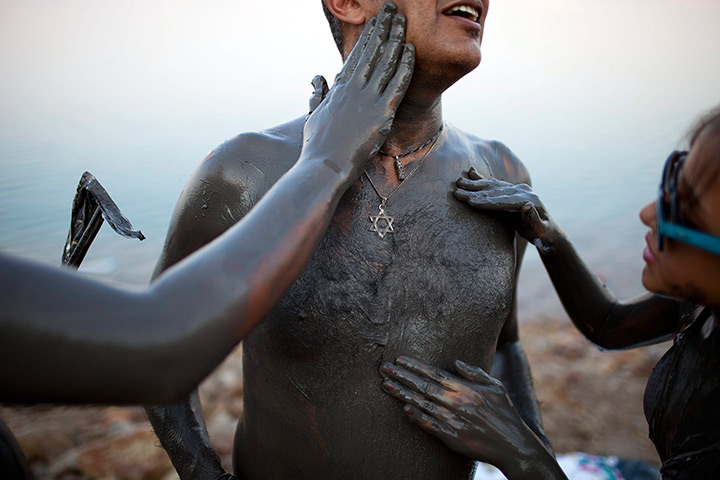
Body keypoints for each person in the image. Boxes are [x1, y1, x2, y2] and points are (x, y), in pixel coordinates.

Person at [144, 2, 550, 479]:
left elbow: (504, 347)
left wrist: (532, 455)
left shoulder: (502, 176)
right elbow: (156, 345)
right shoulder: (247, 173)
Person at [380, 106, 720, 479]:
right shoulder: (704, 301)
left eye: (687, 210)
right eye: (673, 180)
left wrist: (517, 449)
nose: (649, 213)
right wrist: (548, 233)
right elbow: (610, 326)